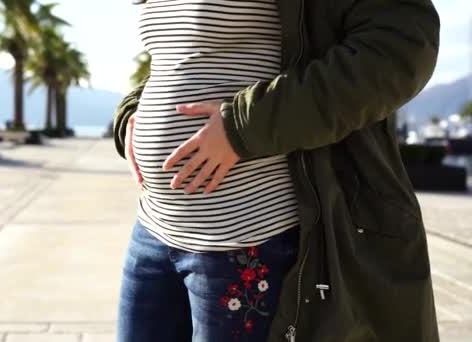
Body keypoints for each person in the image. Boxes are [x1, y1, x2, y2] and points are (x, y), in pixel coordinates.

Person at [113, 0, 441, 341]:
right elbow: (183, 57)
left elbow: (401, 47)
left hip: (244, 235)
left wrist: (244, 126)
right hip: (154, 226)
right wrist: (134, 111)